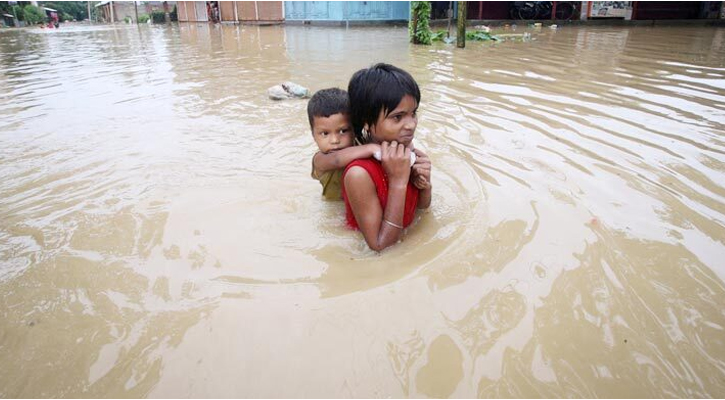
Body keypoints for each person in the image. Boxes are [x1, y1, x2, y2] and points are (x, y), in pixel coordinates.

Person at [343, 63, 432, 251]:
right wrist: (398, 181)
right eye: (398, 117)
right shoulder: (359, 174)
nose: (411, 125)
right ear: (367, 122)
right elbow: (380, 246)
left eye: (413, 113)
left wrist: (425, 184)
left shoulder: (405, 149)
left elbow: (421, 211)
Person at [308, 88, 381, 200]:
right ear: (313, 135)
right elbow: (336, 160)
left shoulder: (360, 145)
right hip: (334, 208)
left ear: (355, 129)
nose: (334, 140)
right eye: (325, 133)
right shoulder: (320, 160)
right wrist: (371, 148)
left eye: (343, 131)